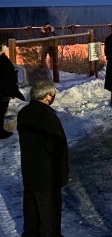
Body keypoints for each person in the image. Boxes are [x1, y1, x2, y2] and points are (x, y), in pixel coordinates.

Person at [17, 80, 69, 236]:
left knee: (31, 209)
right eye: (53, 94)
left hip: (30, 171)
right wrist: (62, 172)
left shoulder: (24, 113)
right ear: (47, 96)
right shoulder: (47, 117)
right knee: (49, 215)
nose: (54, 96)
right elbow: (55, 147)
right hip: (47, 175)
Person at [1, 41, 25, 139]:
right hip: (2, 90)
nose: (5, 47)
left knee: (2, 110)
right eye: (3, 46)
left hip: (5, 90)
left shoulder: (3, 57)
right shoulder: (1, 59)